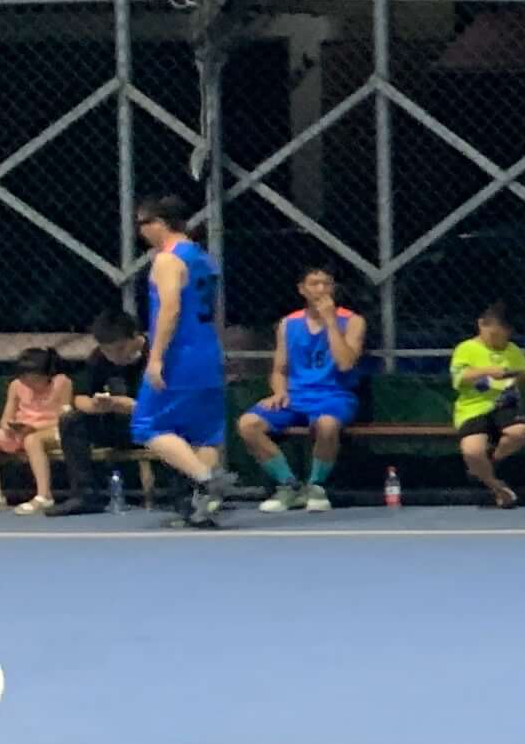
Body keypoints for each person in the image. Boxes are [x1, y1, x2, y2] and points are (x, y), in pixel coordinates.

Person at [229, 264, 366, 514]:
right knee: (248, 424)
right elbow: (280, 369)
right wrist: (279, 392)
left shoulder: (353, 321)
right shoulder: (288, 323)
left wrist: (330, 322)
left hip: (334, 395)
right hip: (295, 396)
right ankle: (289, 485)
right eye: (314, 284)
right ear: (302, 289)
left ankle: (316, 486)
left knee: (327, 425)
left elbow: (345, 363)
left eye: (326, 284)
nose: (321, 289)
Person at [130, 195, 230, 527]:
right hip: (207, 350)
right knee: (204, 433)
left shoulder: (167, 260)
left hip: (180, 353)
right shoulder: (203, 257)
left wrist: (156, 357)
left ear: (160, 223)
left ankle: (207, 479)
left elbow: (170, 309)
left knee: (147, 425)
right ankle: (203, 509)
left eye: (144, 223)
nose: (141, 231)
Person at [447, 306, 525, 510]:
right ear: (482, 325)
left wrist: (520, 377)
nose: (499, 340)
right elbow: (459, 378)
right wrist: (486, 371)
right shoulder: (466, 349)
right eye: (494, 335)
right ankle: (497, 487)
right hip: (473, 407)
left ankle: (490, 462)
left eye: (504, 336)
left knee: (518, 432)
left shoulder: (513, 350)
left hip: (505, 404)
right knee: (473, 451)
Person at [65, 313, 154, 510]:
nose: (114, 356)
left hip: (153, 425)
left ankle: (181, 492)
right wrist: (93, 406)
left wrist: (131, 406)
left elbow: (169, 405)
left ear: (135, 336)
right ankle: (85, 495)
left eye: (120, 349)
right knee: (71, 421)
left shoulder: (156, 355)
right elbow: (79, 397)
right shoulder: (98, 358)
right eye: (107, 351)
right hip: (116, 426)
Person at [0, 347, 70, 515]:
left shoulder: (62, 382)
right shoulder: (16, 386)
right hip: (21, 432)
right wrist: (9, 427)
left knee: (32, 440)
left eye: (35, 380)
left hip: (52, 430)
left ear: (48, 374)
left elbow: (66, 417)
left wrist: (35, 429)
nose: (29, 384)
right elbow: (6, 418)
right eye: (25, 379)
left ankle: (44, 495)